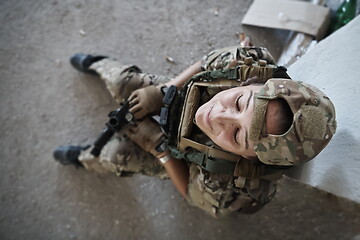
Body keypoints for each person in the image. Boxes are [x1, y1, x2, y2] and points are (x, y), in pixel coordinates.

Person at [53, 44, 337, 217]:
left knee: (116, 154)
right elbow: (206, 62)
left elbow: (190, 193)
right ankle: (97, 63)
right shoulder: (249, 63)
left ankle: (84, 158)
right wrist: (165, 90)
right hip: (183, 97)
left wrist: (159, 148)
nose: (220, 117)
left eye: (238, 135)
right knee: (126, 84)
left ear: (249, 159)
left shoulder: (229, 183)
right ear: (253, 82)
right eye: (239, 102)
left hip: (186, 159)